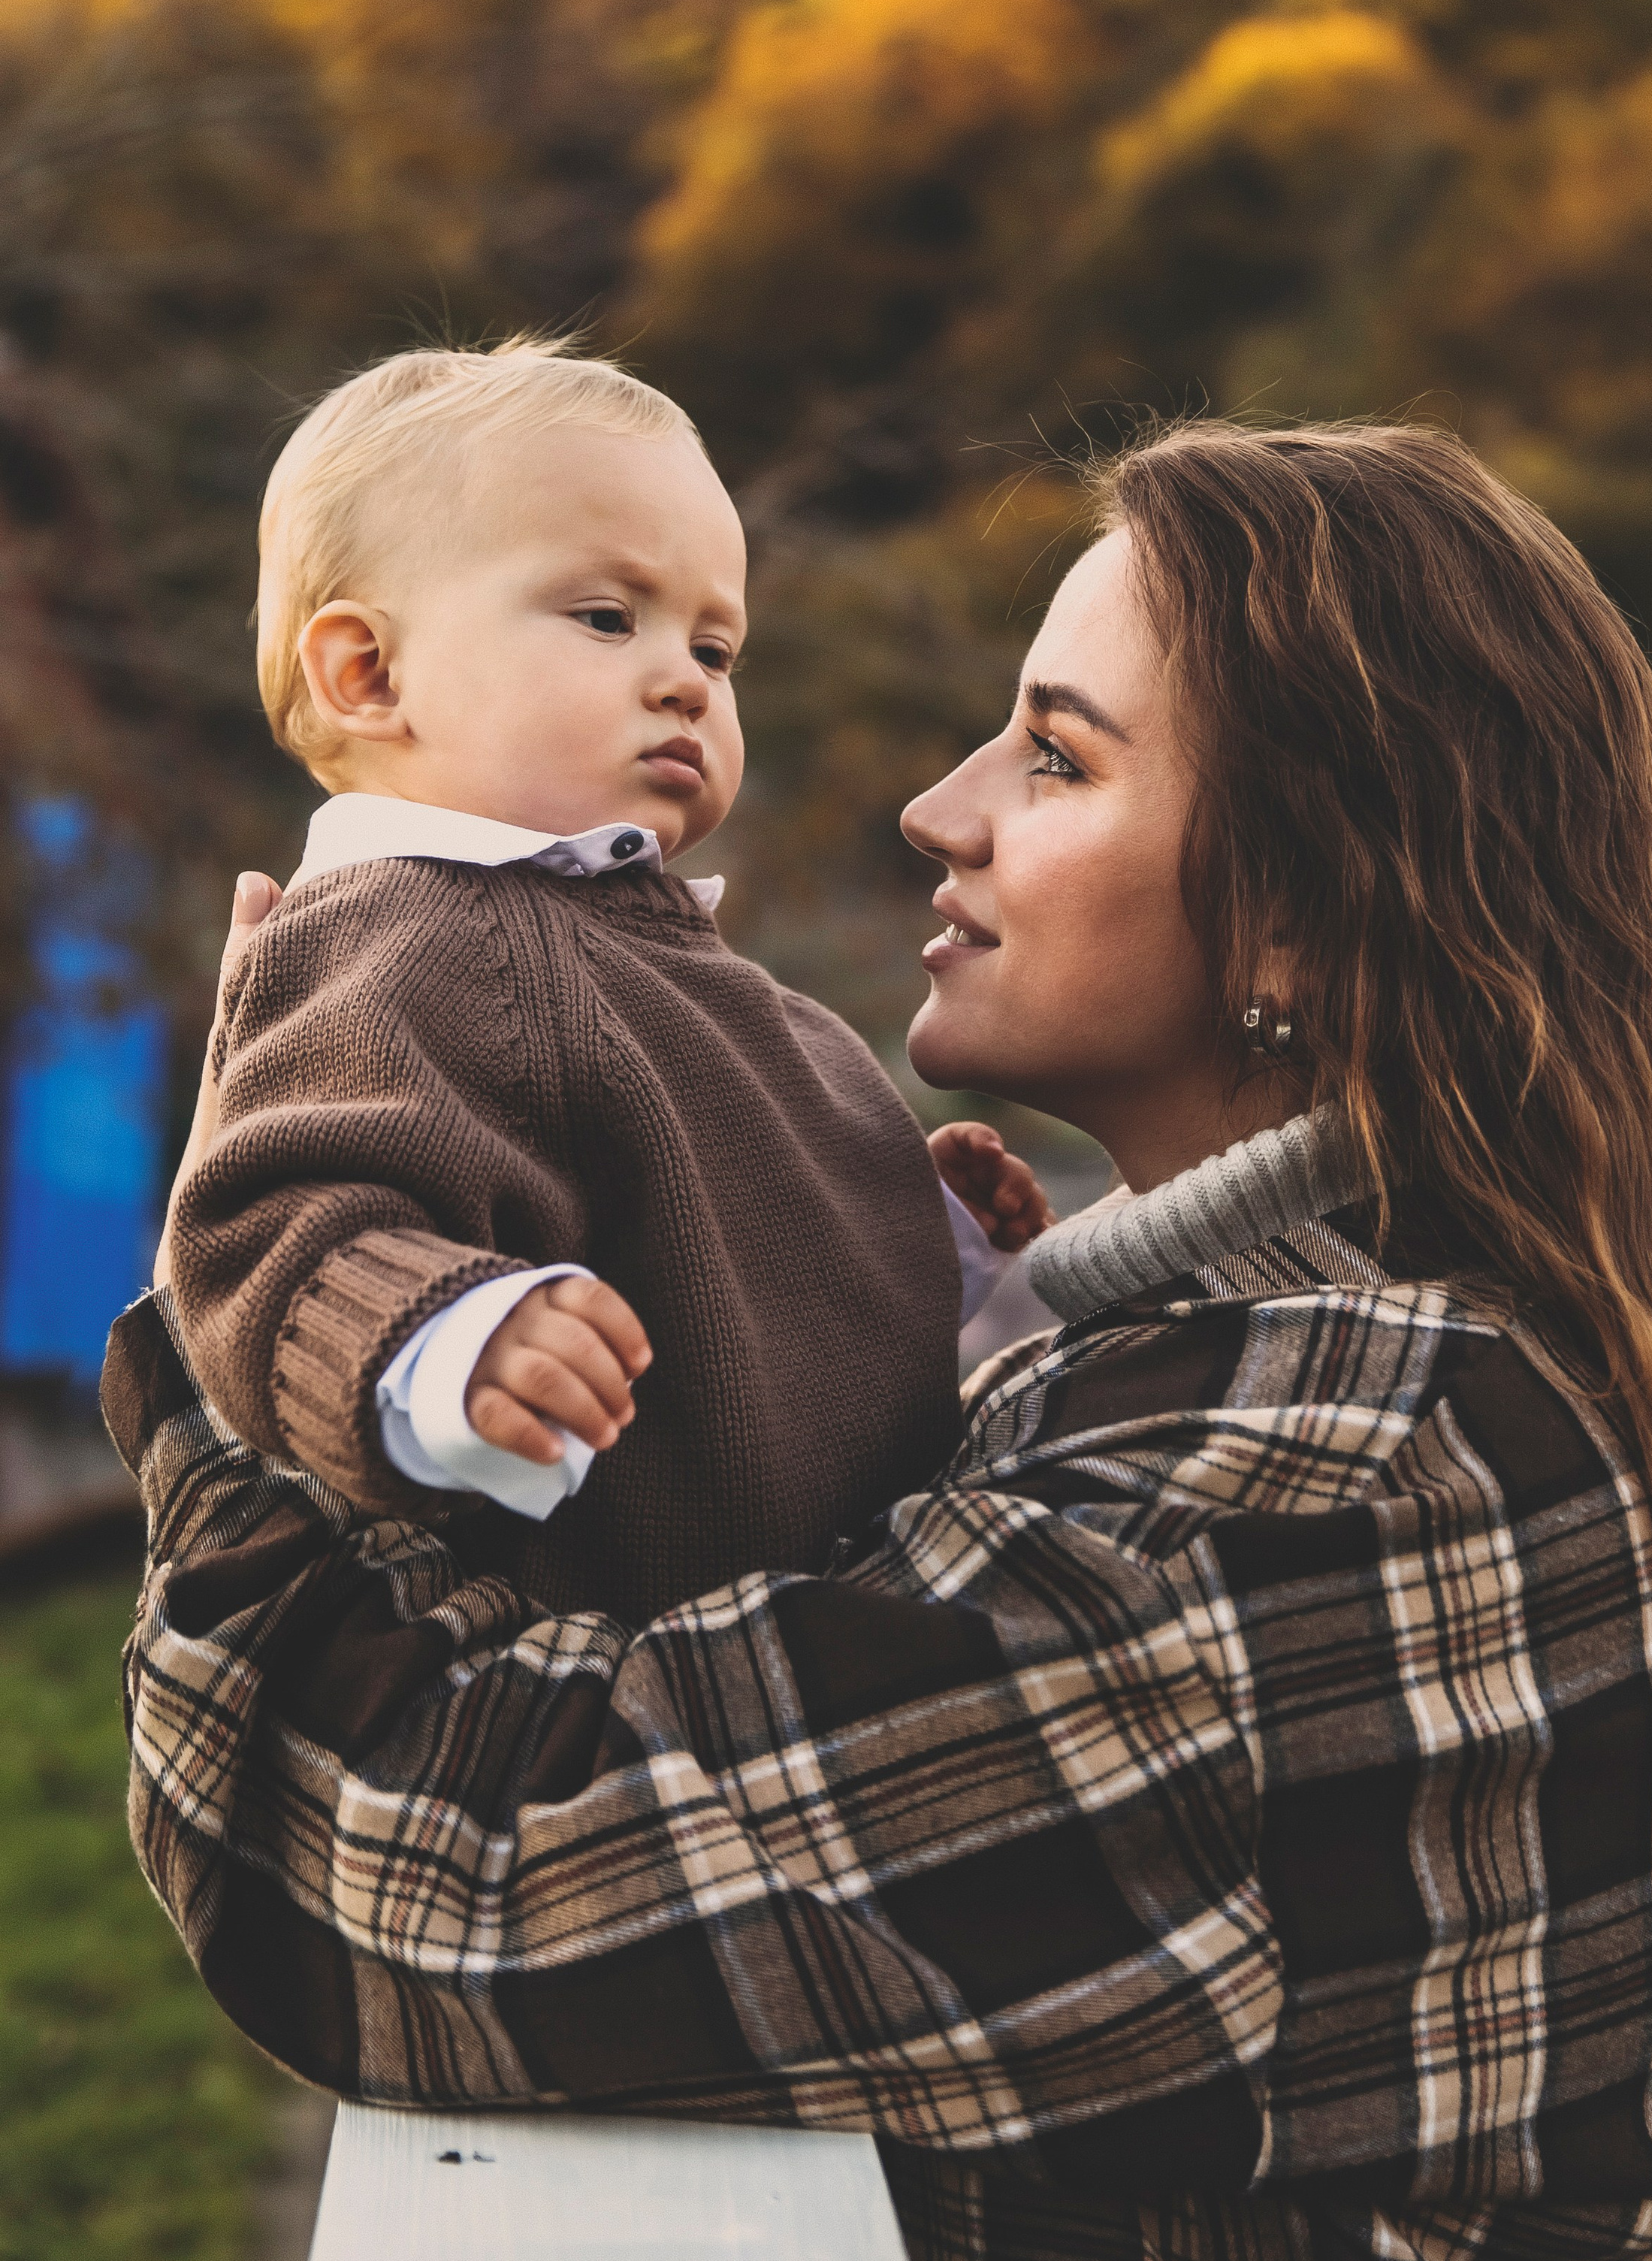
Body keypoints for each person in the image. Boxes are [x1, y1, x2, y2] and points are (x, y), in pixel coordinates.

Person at [110, 421, 1652, 2261]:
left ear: (1293, 910)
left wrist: (250, 1284)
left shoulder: (1330, 1458)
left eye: (1053, 755)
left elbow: (414, 1883)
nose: (936, 812)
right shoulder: (1244, 1356)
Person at [163, 337, 1047, 1626]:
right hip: (595, 1678)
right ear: (369, 674)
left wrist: (910, 1221)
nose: (687, 677)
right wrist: (447, 1341)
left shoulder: (637, 949)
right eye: (606, 616)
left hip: (806, 1644)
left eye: (719, 646)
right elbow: (271, 1234)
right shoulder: (403, 926)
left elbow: (706, 1255)